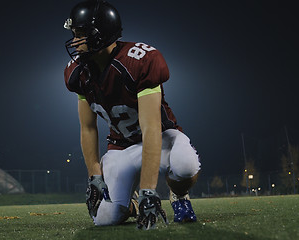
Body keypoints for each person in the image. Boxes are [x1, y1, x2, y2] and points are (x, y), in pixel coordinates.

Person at [63, 0, 201, 230]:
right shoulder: (78, 72)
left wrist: (149, 188)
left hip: (161, 138)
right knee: (105, 218)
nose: (75, 41)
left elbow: (150, 128)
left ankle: (179, 196)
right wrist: (94, 176)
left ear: (100, 35)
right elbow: (88, 128)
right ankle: (133, 205)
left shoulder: (139, 61)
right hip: (121, 147)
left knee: (186, 164)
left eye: (81, 34)